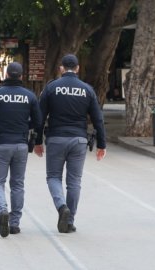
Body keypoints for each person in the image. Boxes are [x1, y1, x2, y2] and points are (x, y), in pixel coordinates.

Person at [33, 54, 106, 233]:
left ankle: (61, 206)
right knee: (74, 181)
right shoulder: (87, 89)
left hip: (56, 138)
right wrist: (102, 144)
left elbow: (40, 118)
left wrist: (37, 141)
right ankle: (69, 220)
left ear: (61, 68)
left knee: (53, 177)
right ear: (78, 68)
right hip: (79, 140)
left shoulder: (51, 88)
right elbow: (98, 119)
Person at [0, 62, 42, 237]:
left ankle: (2, 211)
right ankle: (14, 223)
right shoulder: (29, 96)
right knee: (18, 184)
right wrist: (23, 127)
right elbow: (38, 121)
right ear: (21, 76)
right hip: (21, 144)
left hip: (1, 143)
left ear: (6, 75)